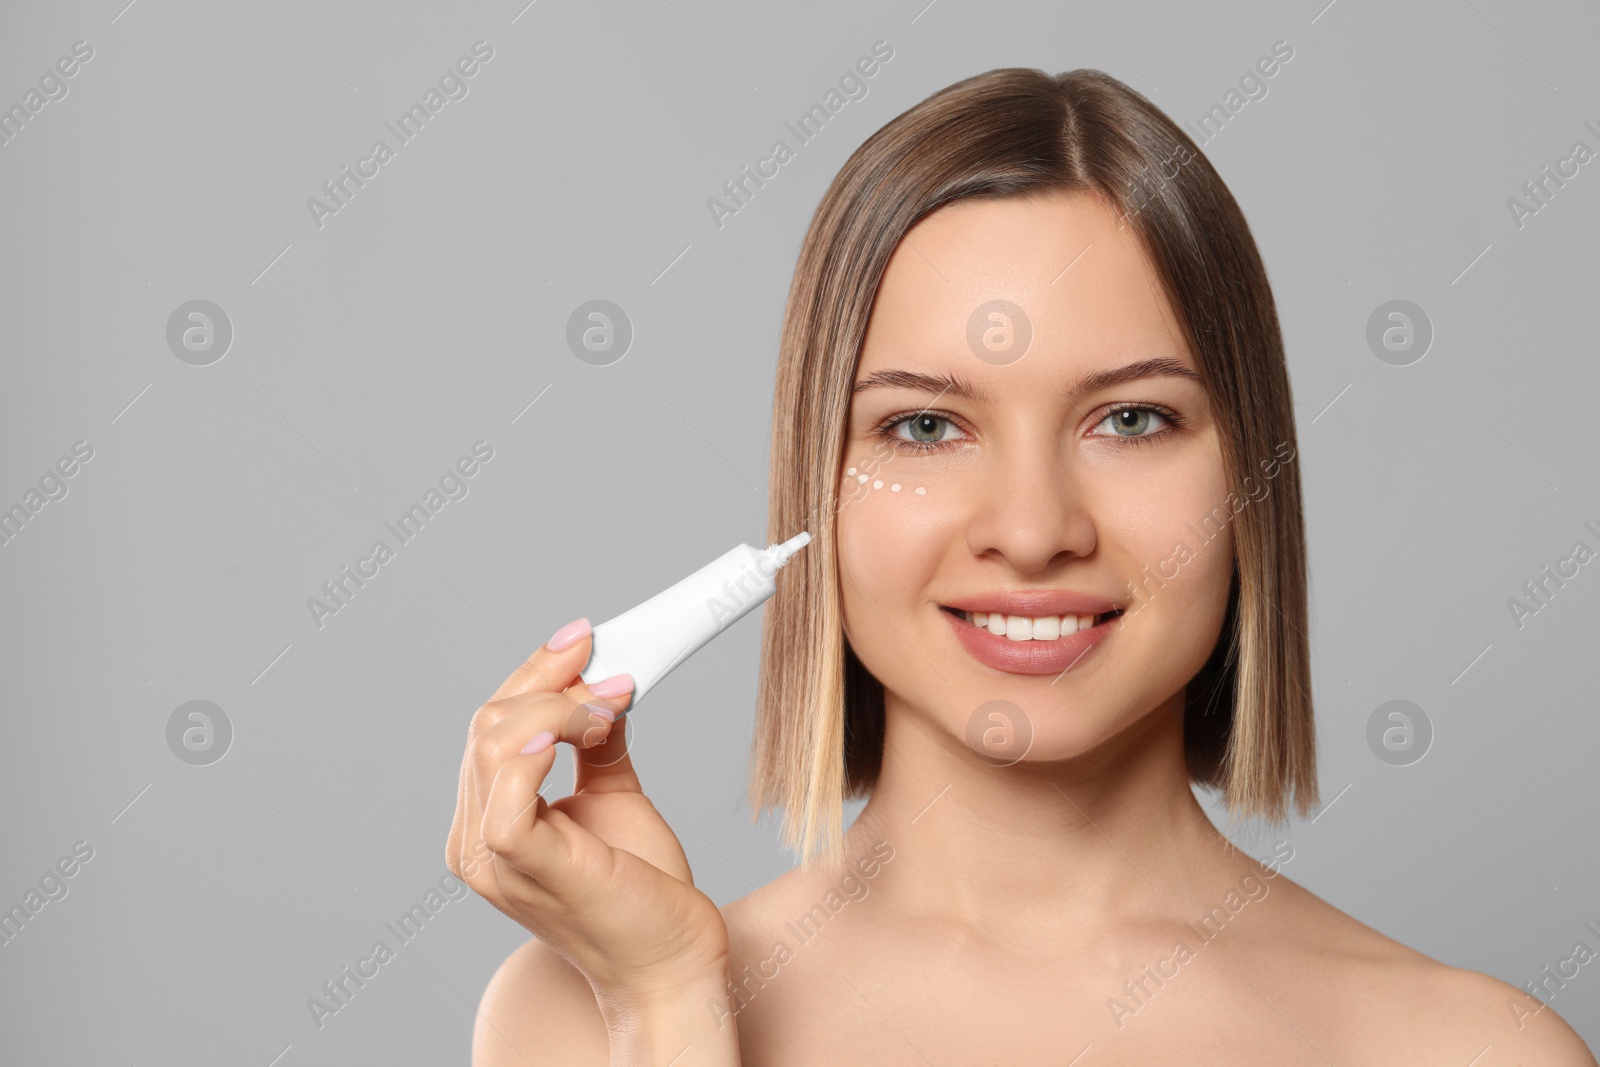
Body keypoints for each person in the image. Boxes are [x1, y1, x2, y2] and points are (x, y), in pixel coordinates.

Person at [446, 67, 1597, 1065]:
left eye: (1133, 419)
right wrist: (666, 1004)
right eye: (926, 428)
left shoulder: (1466, 1047)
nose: (1035, 527)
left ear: (1250, 477)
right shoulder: (581, 1015)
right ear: (816, 488)